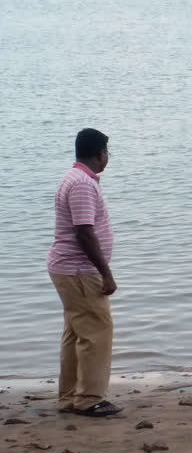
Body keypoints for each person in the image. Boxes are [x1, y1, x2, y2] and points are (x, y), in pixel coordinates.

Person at [47, 128, 122, 417]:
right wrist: (106, 273)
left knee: (76, 331)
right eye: (107, 152)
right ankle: (89, 398)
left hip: (69, 268)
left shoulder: (75, 178)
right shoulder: (81, 184)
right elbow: (84, 232)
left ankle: (69, 396)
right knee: (97, 330)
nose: (107, 158)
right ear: (100, 153)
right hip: (79, 269)